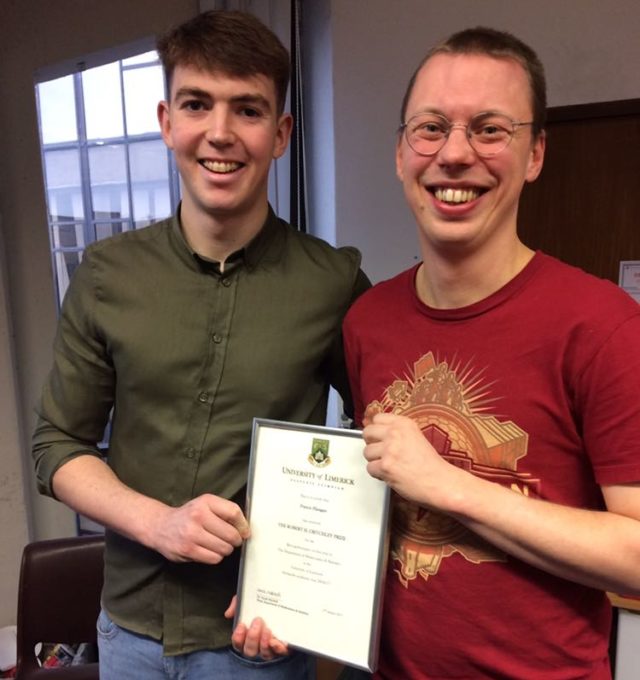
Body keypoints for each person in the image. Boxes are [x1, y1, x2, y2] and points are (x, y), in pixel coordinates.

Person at [32, 9, 369, 680]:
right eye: (197, 104)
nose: (219, 133)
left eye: (247, 110)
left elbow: (381, 445)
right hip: (130, 633)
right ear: (166, 121)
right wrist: (158, 523)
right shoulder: (106, 275)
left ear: (280, 134)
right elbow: (57, 447)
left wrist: (309, 592)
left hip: (260, 642)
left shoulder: (333, 284)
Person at [342, 26, 640, 679]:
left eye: (489, 129)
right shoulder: (367, 321)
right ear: (400, 153)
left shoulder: (604, 326)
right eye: (430, 128)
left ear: (534, 153)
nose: (454, 154)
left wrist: (449, 484)